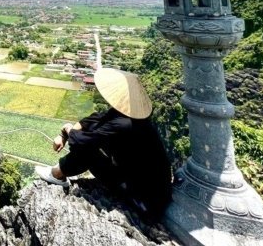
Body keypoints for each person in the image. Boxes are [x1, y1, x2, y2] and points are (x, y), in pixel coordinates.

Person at [35, 67, 172, 220]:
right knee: (91, 140)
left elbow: (81, 142)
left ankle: (57, 174)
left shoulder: (124, 124)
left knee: (87, 150)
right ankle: (59, 172)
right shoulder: (130, 117)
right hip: (145, 190)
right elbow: (93, 120)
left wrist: (68, 131)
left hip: (143, 201)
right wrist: (64, 134)